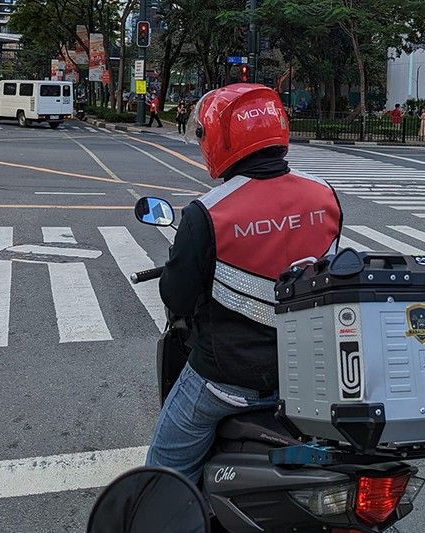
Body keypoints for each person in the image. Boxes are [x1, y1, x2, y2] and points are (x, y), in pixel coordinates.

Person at [146, 84, 343, 483]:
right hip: (311, 375)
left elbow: (177, 297)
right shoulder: (325, 196)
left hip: (227, 380)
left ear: (218, 138)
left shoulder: (209, 212)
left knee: (161, 476)